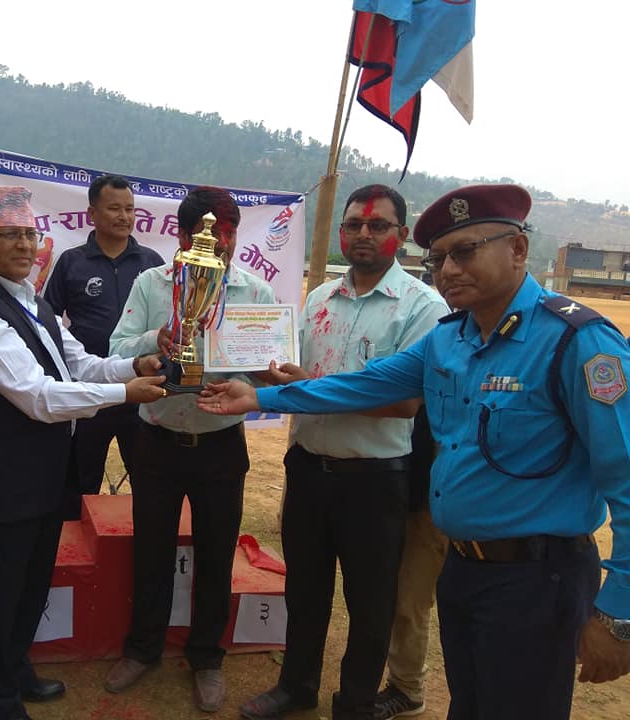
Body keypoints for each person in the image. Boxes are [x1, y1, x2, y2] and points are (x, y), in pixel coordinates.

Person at [198, 184, 630, 720]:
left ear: (518, 249)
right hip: (464, 571)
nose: (448, 270)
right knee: (469, 704)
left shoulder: (577, 343)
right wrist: (260, 397)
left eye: (465, 252)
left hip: (538, 579)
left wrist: (619, 614)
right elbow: (362, 385)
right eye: (439, 258)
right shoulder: (451, 338)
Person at [0, 185, 166, 720]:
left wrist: (132, 366)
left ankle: (16, 670)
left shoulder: (33, 299)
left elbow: (80, 363)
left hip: (43, 476)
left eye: (29, 234)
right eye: (9, 235)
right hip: (0, 483)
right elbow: (38, 396)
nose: (23, 245)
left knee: (30, 585)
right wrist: (124, 394)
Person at [239, 185, 448, 720]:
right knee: (305, 591)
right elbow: (297, 375)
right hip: (308, 468)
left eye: (378, 225)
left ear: (402, 235)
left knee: (371, 603)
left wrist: (302, 387)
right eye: (354, 224)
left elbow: (404, 402)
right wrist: (256, 363)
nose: (363, 234)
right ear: (341, 233)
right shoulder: (319, 299)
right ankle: (296, 687)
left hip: (374, 480)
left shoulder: (423, 307)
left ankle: (354, 703)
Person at [103, 186, 275, 714]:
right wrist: (154, 340)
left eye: (229, 233)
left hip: (220, 443)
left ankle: (206, 657)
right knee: (151, 549)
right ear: (181, 234)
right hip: (157, 438)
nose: (220, 243)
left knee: (217, 555)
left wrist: (254, 378)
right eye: (209, 233)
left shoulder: (255, 293)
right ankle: (143, 648)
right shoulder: (151, 283)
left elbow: (266, 368)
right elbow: (116, 347)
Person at [44, 174, 164, 497]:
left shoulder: (151, 263)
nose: (124, 216)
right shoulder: (71, 262)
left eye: (130, 209)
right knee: (79, 485)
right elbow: (48, 321)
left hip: (140, 389)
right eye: (114, 208)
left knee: (149, 483)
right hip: (88, 390)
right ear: (92, 214)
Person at [373, 406, 449, 720]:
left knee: (410, 600)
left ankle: (407, 688)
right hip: (399, 487)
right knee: (393, 595)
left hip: (431, 502)